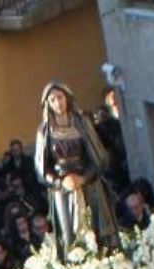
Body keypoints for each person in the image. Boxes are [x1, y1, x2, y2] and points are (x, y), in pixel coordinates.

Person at [34, 81, 118, 258]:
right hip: (63, 189)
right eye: (53, 99)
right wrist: (60, 181)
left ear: (67, 98)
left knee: (98, 229)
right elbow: (41, 169)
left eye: (60, 97)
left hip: (88, 182)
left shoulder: (82, 123)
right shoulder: (45, 131)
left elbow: (99, 157)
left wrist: (83, 178)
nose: (58, 103)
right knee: (70, 235)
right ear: (47, 103)